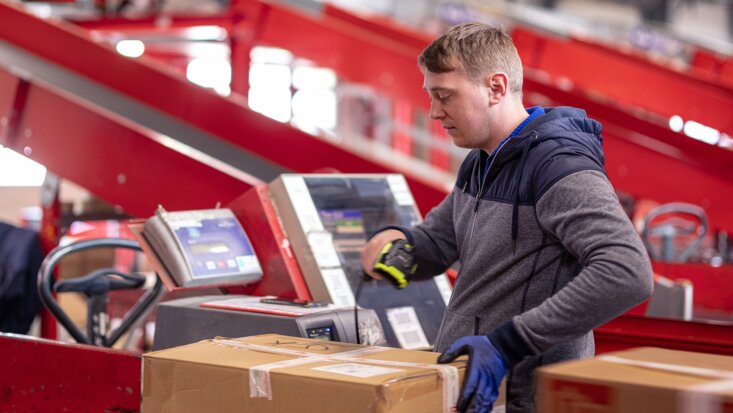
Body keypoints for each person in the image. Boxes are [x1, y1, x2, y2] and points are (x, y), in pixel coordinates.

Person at [360, 22, 653, 413]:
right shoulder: (480, 161)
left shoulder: (558, 165)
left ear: (496, 87)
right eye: (431, 96)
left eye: (445, 96)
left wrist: (507, 344)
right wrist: (395, 244)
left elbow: (627, 272)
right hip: (476, 390)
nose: (433, 112)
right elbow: (438, 243)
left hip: (525, 398)